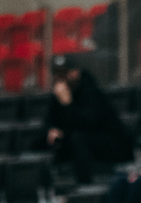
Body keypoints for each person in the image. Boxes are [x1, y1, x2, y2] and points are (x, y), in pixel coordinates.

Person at [45, 54, 135, 187]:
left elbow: (88, 123)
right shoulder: (59, 94)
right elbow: (49, 121)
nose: (61, 78)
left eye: (64, 73)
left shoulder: (90, 90)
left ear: (75, 72)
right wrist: (51, 130)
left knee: (78, 139)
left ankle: (84, 187)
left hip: (112, 143)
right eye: (57, 74)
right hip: (82, 145)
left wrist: (68, 105)